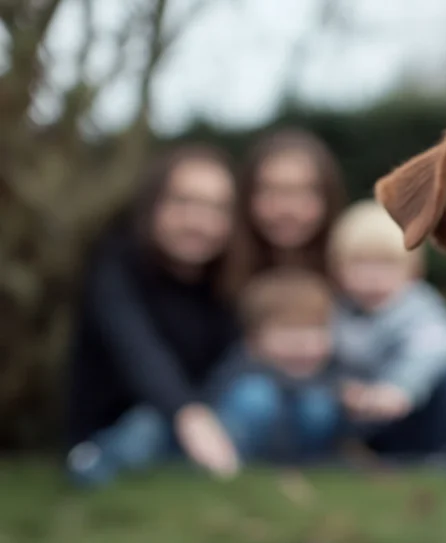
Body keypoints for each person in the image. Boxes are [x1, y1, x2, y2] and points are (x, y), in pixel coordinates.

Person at [64, 144, 260, 486]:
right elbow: (137, 350)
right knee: (146, 428)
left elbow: (237, 357)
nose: (198, 222)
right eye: (183, 203)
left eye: (216, 209)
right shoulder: (116, 265)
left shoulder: (228, 277)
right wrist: (189, 415)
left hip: (201, 417)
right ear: (153, 205)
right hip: (125, 421)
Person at [328, 199, 446, 463]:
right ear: (338, 269)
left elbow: (431, 344)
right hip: (363, 415)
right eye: (360, 264)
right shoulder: (336, 312)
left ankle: (440, 452)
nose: (373, 277)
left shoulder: (418, 305)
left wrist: (400, 388)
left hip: (415, 407)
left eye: (386, 265)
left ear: (412, 272)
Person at [204, 267, 340, 463]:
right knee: (255, 396)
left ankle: (311, 464)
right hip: (241, 441)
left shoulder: (334, 368)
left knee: (319, 403)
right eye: (288, 332)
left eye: (314, 331)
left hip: (299, 448)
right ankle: (238, 463)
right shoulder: (242, 365)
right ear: (254, 340)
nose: (302, 345)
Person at [220, 128, 346, 298]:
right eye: (270, 191)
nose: (286, 209)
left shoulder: (358, 284)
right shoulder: (216, 282)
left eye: (302, 192)